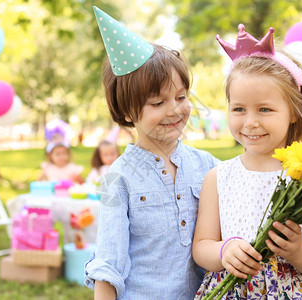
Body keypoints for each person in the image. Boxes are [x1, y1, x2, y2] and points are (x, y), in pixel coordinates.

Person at [193, 25, 302, 299]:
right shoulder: (218, 177)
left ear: (294, 112)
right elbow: (202, 246)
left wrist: (300, 251)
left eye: (265, 109)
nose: (250, 122)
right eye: (238, 109)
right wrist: (224, 251)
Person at [84, 6, 219, 300]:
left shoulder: (208, 165)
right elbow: (108, 265)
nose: (175, 110)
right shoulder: (117, 179)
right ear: (127, 111)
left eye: (181, 97)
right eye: (158, 103)